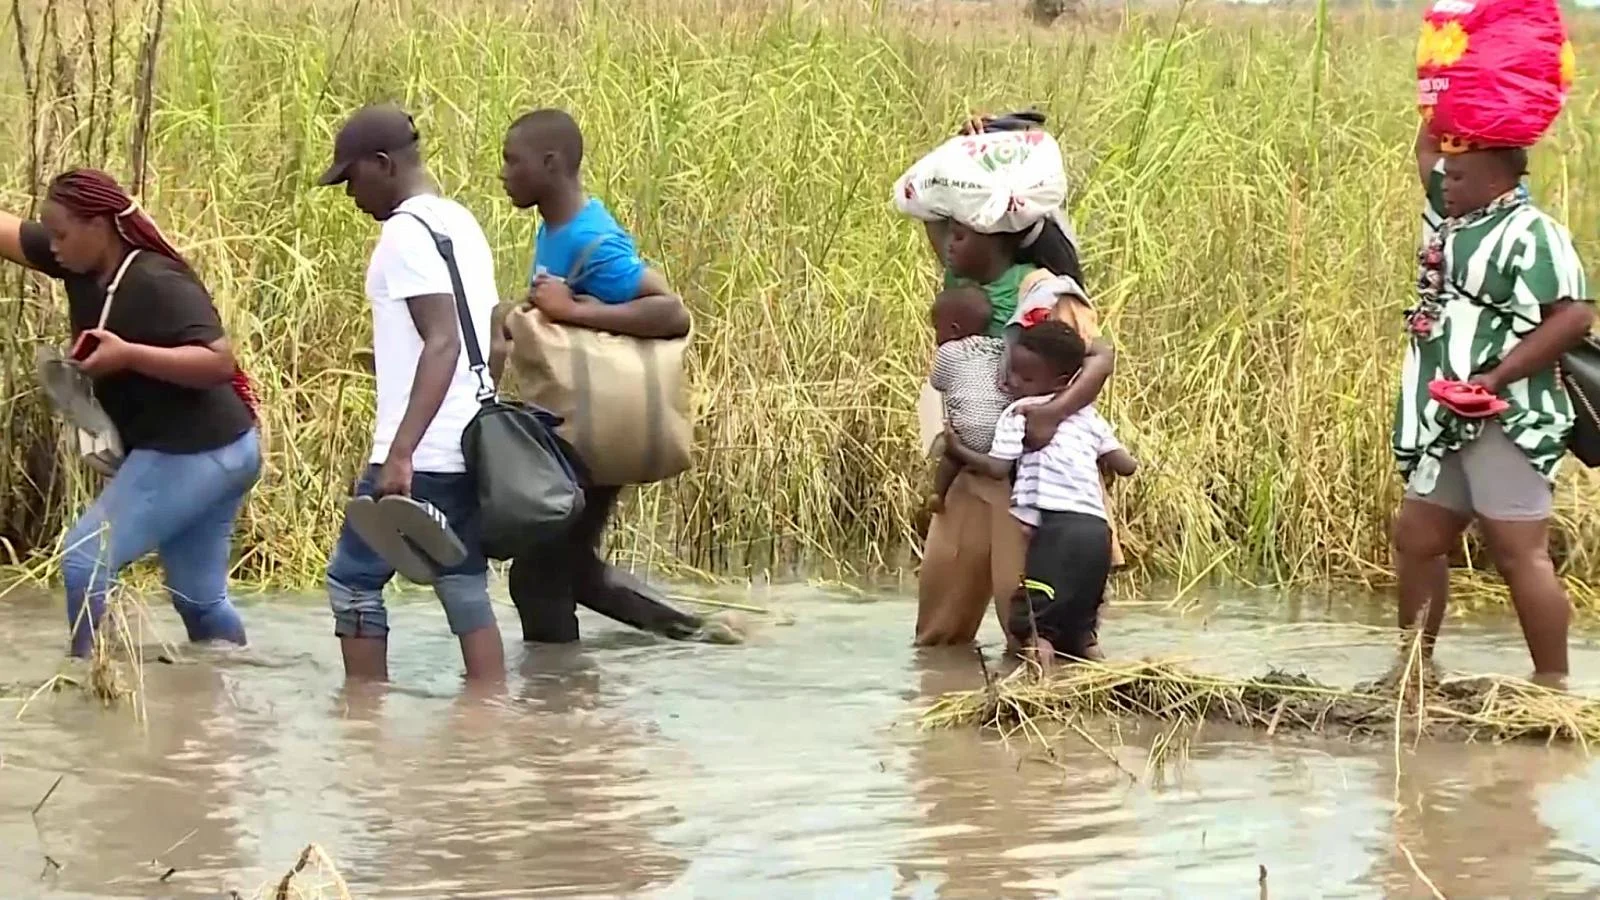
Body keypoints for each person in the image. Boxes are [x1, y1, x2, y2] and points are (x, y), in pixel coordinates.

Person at [0, 169, 261, 657]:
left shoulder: (156, 281)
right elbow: (9, 233)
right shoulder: (77, 262)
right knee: (199, 602)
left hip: (199, 450)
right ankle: (226, 694)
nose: (51, 246)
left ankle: (93, 687)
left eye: (60, 234)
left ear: (99, 226)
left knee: (83, 559)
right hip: (226, 447)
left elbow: (218, 361)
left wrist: (129, 355)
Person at [493, 107, 706, 645]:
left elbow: (671, 312)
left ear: (551, 163)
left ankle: (554, 714)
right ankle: (698, 636)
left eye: (512, 162)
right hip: (578, 431)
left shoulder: (593, 238)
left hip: (596, 437)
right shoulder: (557, 227)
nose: (504, 174)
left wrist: (572, 312)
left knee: (538, 578)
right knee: (569, 572)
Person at [1392, 134, 1594, 687]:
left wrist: (1496, 376)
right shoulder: (1453, 216)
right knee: (1417, 538)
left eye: (1458, 178)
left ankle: (1552, 685)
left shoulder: (1534, 233)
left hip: (1507, 413)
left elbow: (1574, 317)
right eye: (1447, 176)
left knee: (1516, 552)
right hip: (1445, 417)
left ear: (1497, 179)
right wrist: (1446, 88)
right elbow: (1427, 152)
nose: (1444, 185)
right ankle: (1414, 673)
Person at [317, 103, 505, 683]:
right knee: (463, 583)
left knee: (352, 582)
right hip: (467, 443)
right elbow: (494, 337)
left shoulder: (401, 234)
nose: (349, 193)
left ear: (382, 164)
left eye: (351, 177)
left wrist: (399, 453)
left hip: (418, 453)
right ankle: (491, 718)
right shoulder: (461, 222)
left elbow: (442, 342)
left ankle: (365, 727)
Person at [914, 210, 1118, 649]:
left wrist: (1052, 412)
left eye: (963, 232)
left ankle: (1045, 708)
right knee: (938, 633)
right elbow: (930, 209)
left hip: (1026, 481)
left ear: (1001, 236)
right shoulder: (963, 283)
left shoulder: (1041, 290)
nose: (950, 241)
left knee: (1033, 627)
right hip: (969, 473)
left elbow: (1097, 357)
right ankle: (950, 705)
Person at [946, 321, 1136, 670]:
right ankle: (1102, 681)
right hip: (1097, 532)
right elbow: (1127, 465)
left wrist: (958, 449)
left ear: (1063, 381)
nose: (1013, 383)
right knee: (1081, 629)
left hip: (1056, 530)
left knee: (1033, 620)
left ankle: (1038, 691)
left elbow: (998, 468)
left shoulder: (1017, 414)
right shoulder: (1088, 415)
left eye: (1026, 378)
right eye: (1014, 373)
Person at [925, 285, 1010, 514]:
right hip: (1001, 436)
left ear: (953, 329)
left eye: (936, 329)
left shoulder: (948, 352)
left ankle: (938, 494)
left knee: (950, 456)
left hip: (967, 435)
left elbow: (937, 382)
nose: (935, 337)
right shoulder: (1000, 348)